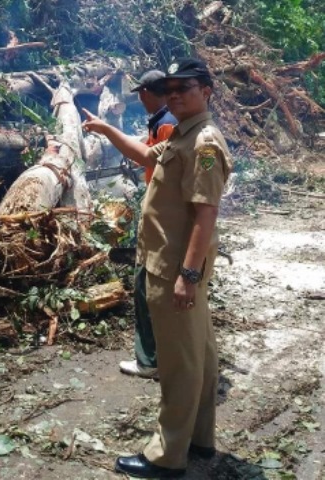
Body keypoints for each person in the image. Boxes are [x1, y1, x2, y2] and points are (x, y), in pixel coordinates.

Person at [82, 57, 233, 478]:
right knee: (198, 354)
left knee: (177, 363)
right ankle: (199, 440)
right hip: (175, 265)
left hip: (175, 269)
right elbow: (145, 153)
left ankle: (167, 456)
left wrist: (187, 276)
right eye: (170, 89)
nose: (175, 94)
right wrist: (108, 130)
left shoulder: (203, 142)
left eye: (184, 87)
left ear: (206, 90)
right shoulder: (183, 136)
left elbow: (206, 215)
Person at [119, 70, 177, 380]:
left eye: (142, 92)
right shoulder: (163, 120)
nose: (139, 98)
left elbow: (153, 159)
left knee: (145, 285)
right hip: (163, 211)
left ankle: (150, 359)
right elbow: (150, 150)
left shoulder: (168, 124)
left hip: (161, 213)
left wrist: (107, 131)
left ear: (151, 92)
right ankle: (162, 355)